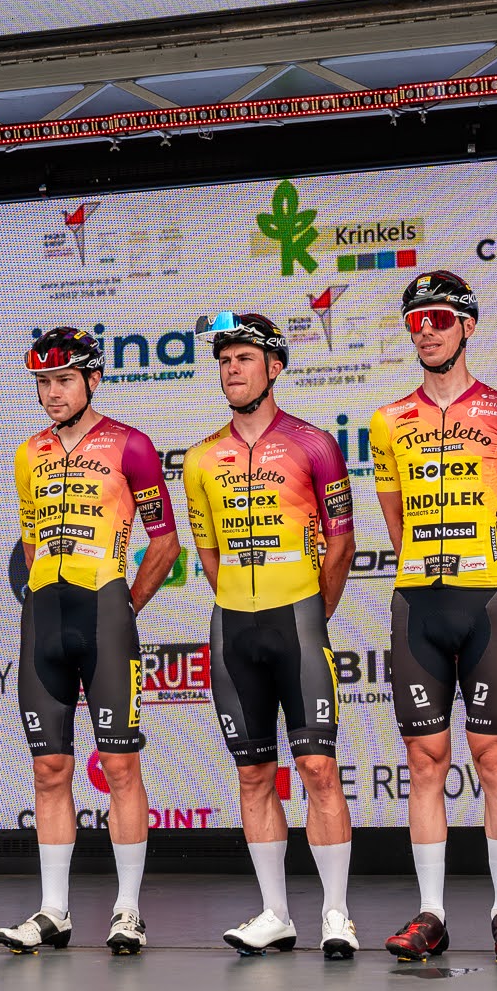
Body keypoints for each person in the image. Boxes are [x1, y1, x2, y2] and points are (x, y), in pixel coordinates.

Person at [369, 271, 497, 963]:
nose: (427, 331)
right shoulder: (388, 421)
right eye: (417, 321)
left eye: (440, 318)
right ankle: (432, 913)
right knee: (425, 759)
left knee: (494, 756)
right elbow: (396, 521)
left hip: (485, 600)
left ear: (468, 325)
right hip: (418, 601)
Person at [0, 327, 181, 955]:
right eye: (43, 383)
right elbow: (28, 545)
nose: (52, 393)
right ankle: (53, 910)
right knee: (49, 768)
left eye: (64, 380)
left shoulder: (132, 445)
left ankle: (128, 910)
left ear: (93, 379)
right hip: (43, 622)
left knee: (120, 765)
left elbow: (165, 543)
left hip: (104, 618)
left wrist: (124, 606)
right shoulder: (28, 453)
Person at [181, 312, 359, 958]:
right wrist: (242, 603)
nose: (232, 369)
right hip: (234, 628)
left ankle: (336, 913)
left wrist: (313, 612)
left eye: (245, 358)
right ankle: (275, 913)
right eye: (224, 360)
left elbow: (342, 543)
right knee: (254, 775)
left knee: (317, 768)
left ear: (274, 367)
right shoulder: (200, 458)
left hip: (299, 622)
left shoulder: (315, 444)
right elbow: (208, 554)